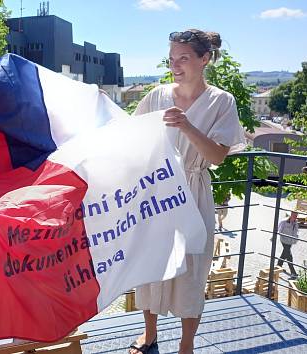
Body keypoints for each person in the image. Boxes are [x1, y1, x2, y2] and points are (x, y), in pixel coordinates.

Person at [130, 29, 245, 354]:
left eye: (183, 58)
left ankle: (186, 345)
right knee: (150, 265)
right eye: (171, 59)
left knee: (192, 269)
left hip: (194, 194)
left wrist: (187, 127)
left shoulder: (222, 101)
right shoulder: (156, 95)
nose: (175, 66)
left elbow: (218, 156)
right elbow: (132, 135)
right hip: (158, 192)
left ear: (204, 59)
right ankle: (149, 335)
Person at [277, 211, 299, 279]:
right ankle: (293, 272)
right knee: (289, 256)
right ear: (291, 215)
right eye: (294, 216)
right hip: (284, 241)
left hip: (290, 242)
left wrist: (296, 238)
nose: (295, 217)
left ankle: (278, 266)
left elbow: (296, 231)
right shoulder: (284, 222)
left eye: (296, 216)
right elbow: (279, 230)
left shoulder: (296, 222)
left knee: (285, 254)